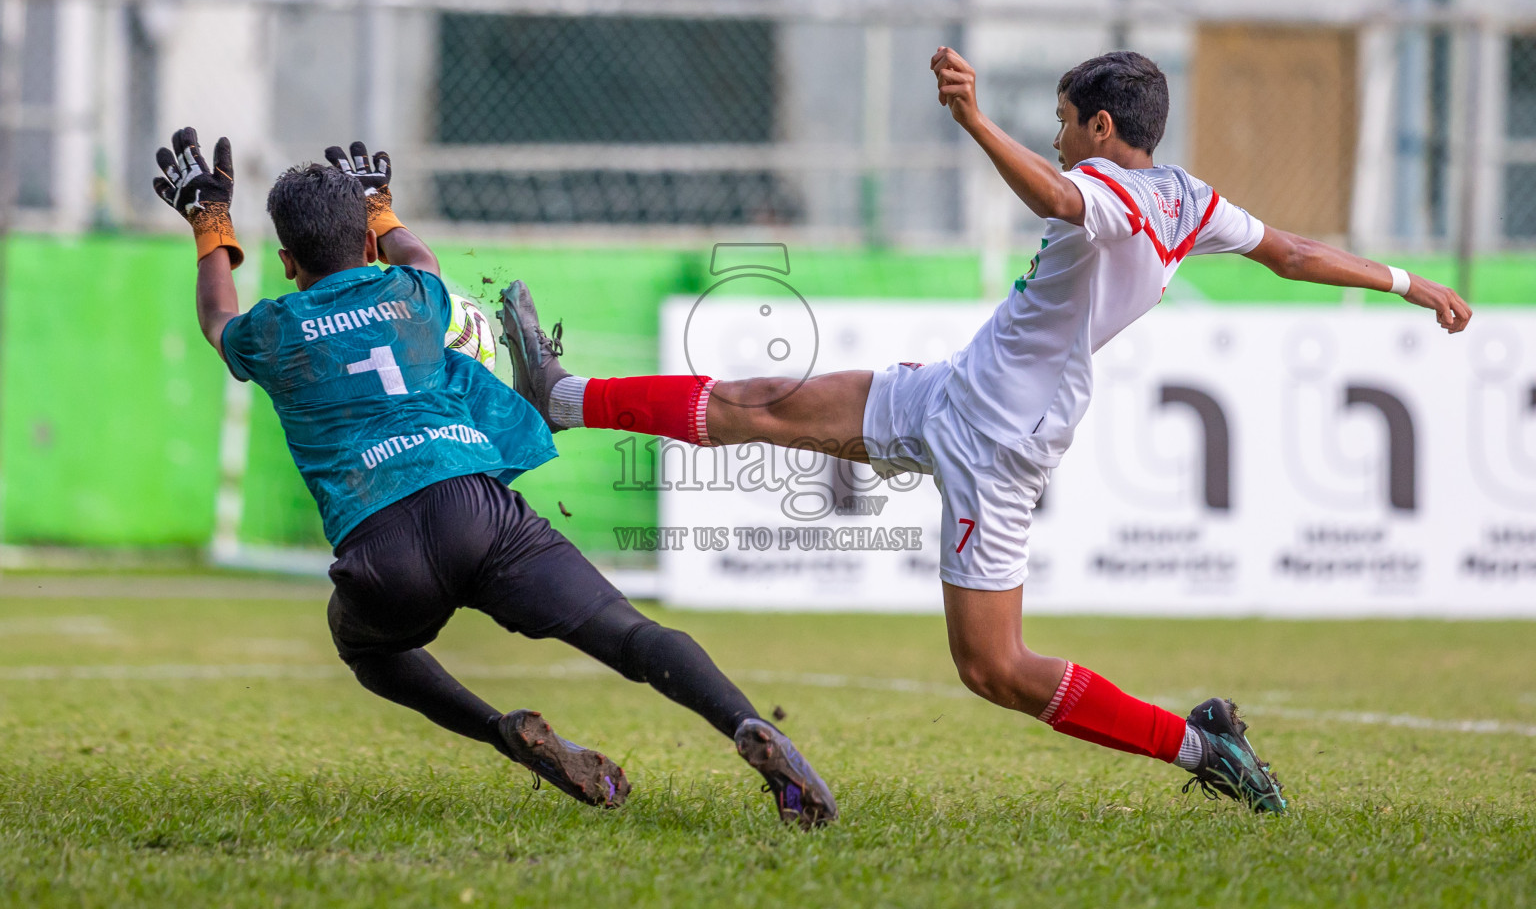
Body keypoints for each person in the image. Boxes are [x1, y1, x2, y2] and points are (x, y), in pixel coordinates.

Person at [497, 48, 1474, 814]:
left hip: (997, 443)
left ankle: (1200, 746)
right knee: (767, 402)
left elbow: (1056, 195)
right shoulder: (1187, 197)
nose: (1056, 138)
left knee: (993, 668)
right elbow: (1292, 252)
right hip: (962, 391)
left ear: (1100, 126)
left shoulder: (1107, 195)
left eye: (1062, 121)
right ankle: (562, 396)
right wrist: (1404, 280)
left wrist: (971, 116)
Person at [151, 129, 837, 828]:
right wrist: (381, 208)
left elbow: (218, 319)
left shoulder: (274, 329)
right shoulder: (414, 293)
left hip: (380, 547)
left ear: (288, 260)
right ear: (365, 247)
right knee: (629, 634)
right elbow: (418, 254)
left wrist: (212, 224)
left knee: (363, 645)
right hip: (476, 510)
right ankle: (748, 725)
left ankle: (500, 732)